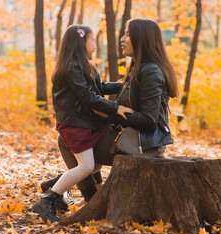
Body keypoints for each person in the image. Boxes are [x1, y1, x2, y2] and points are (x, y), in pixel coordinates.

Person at [41, 18, 179, 204]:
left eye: (128, 34)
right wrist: (112, 109)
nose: (122, 39)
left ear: (142, 38)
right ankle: (76, 191)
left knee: (71, 144)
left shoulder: (151, 72)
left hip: (144, 144)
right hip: (131, 134)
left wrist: (110, 114)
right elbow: (95, 93)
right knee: (72, 142)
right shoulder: (137, 68)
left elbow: (149, 120)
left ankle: (80, 195)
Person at [31, 25, 134, 222]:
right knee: (87, 167)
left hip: (83, 123)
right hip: (75, 125)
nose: (95, 45)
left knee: (93, 165)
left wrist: (124, 84)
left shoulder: (86, 66)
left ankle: (55, 186)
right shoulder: (71, 68)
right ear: (81, 42)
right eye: (92, 41)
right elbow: (88, 96)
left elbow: (100, 88)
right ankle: (46, 201)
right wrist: (115, 108)